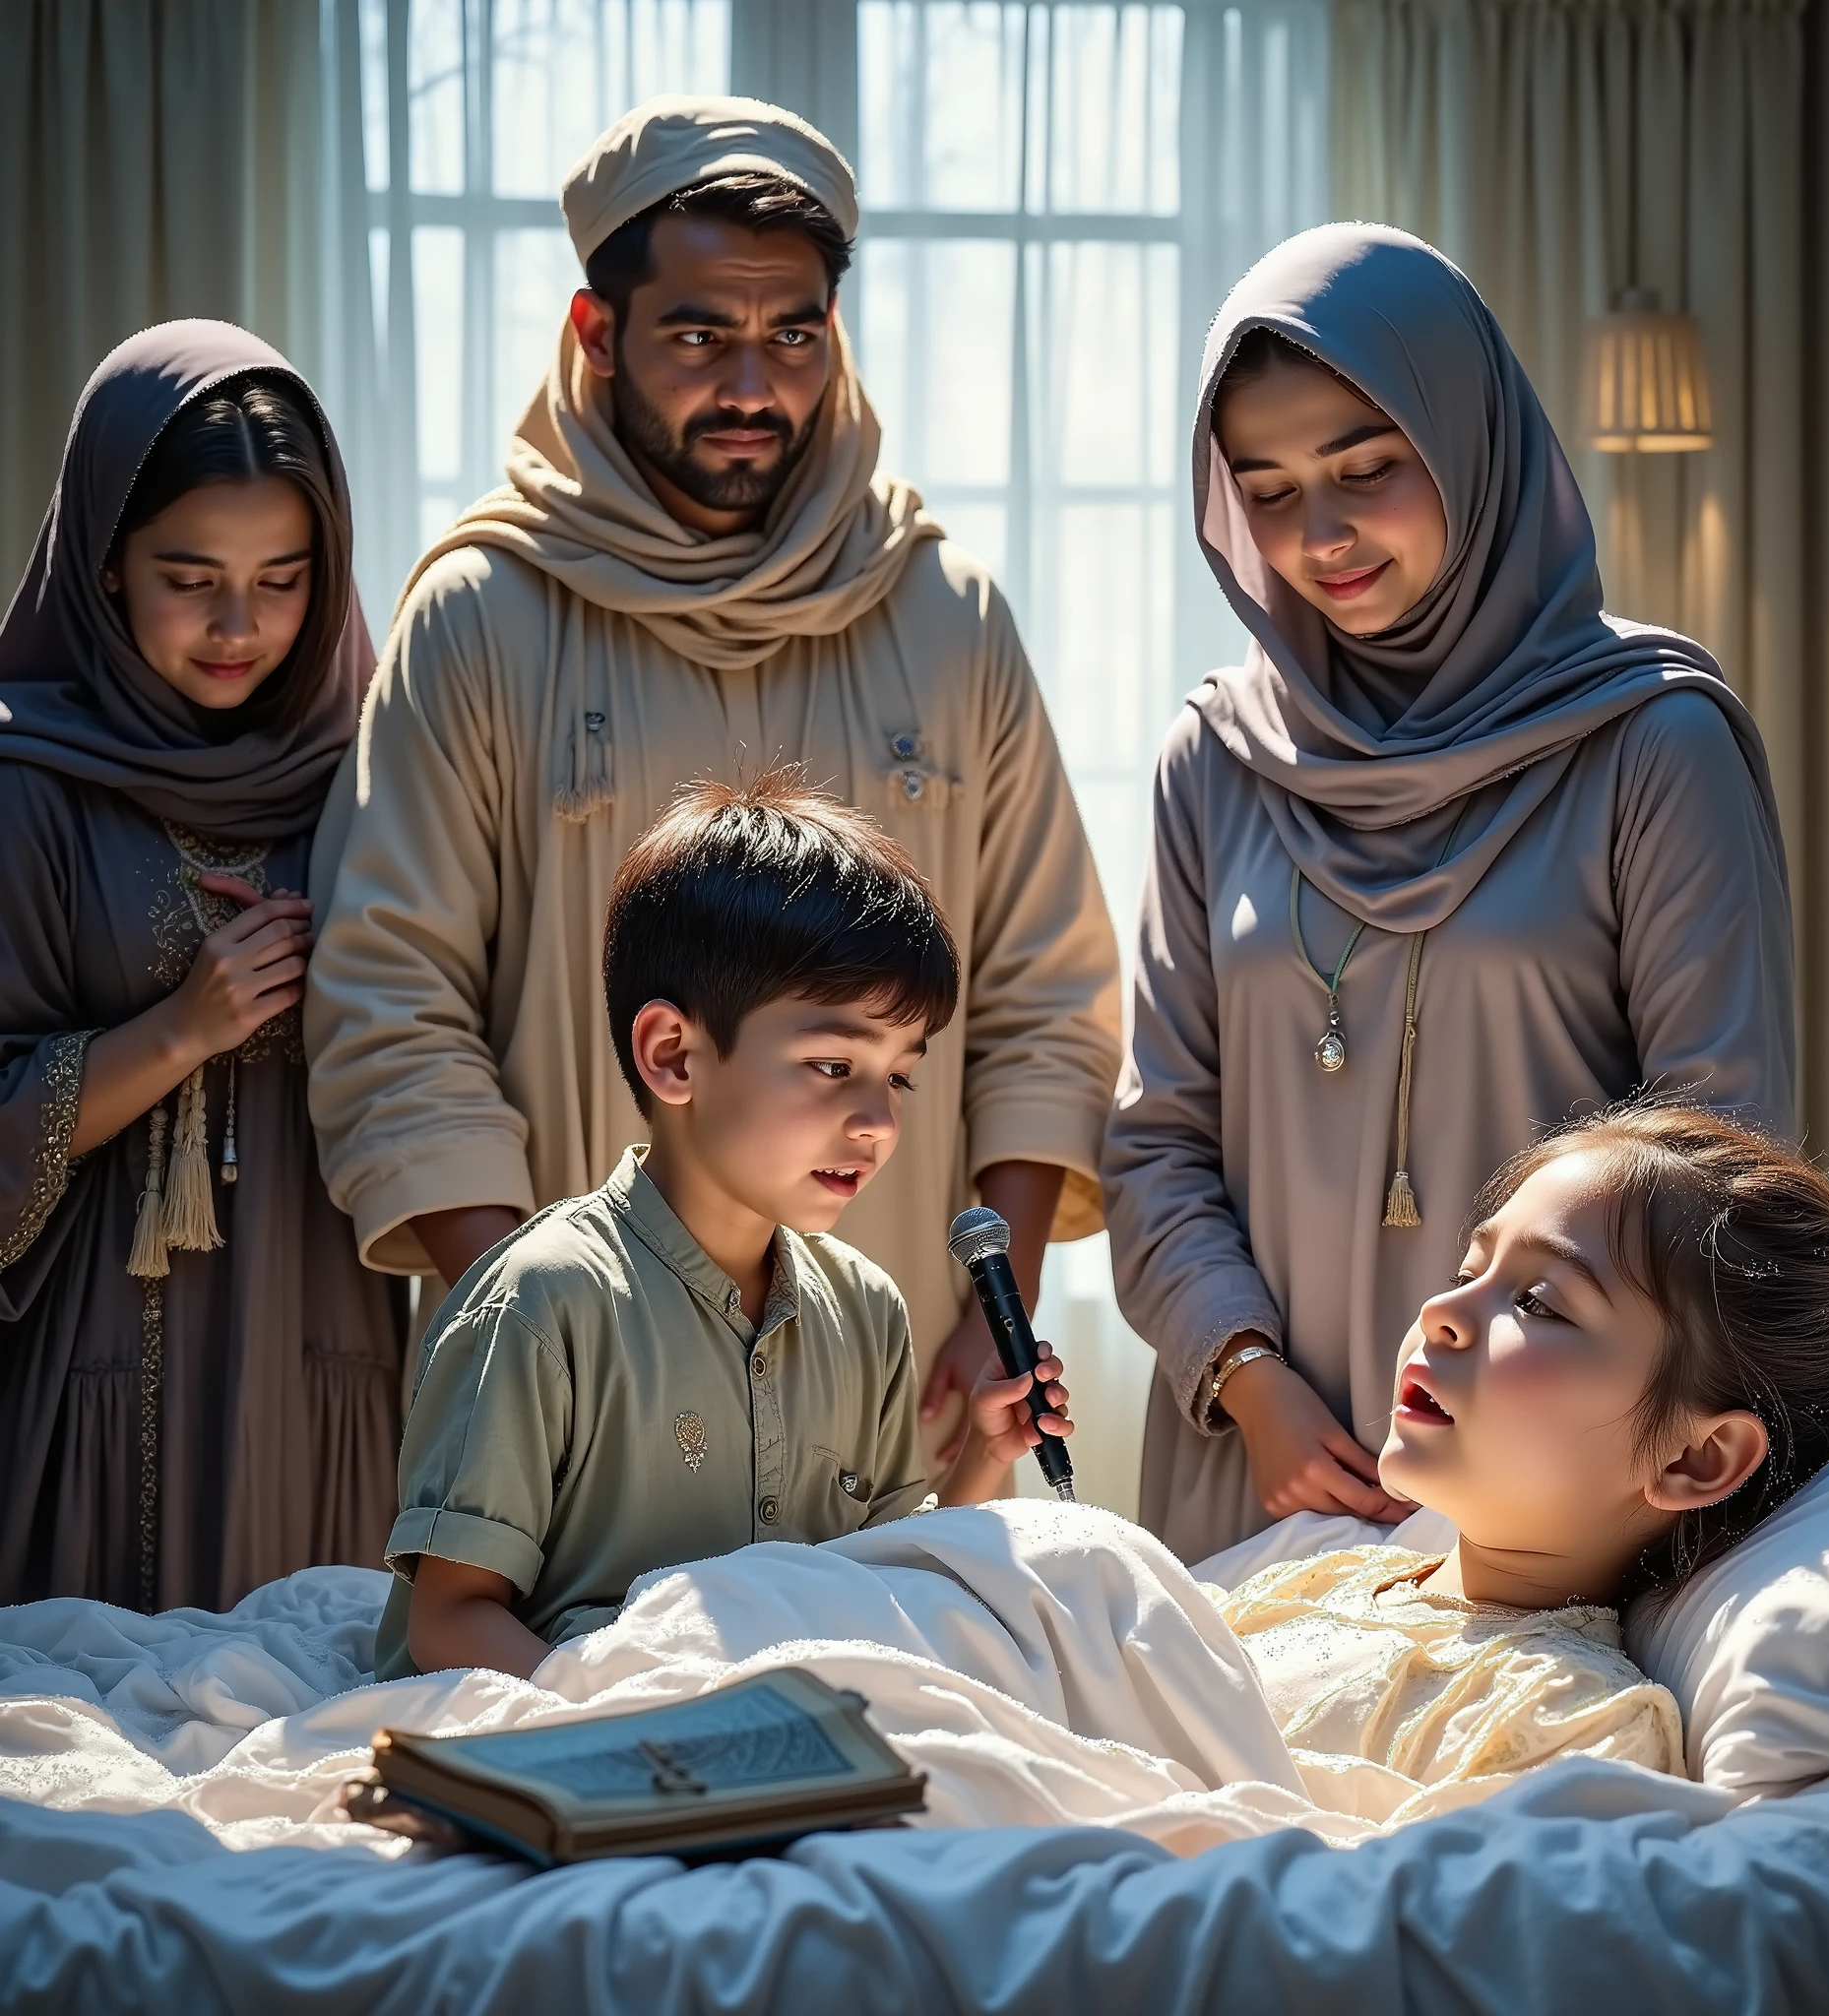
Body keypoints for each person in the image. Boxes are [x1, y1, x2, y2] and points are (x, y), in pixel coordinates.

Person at [308, 95, 1119, 1473]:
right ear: (597, 335)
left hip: (900, 1412)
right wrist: (548, 1349)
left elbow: (1047, 999)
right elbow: (392, 1009)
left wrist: (1004, 1302)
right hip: (573, 1434)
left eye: (792, 334)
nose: (754, 385)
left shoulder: (947, 614)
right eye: (699, 335)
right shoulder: (481, 614)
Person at [1103, 223, 1796, 1565]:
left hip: (1544, 1498)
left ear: (1472, 442)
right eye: (1269, 489)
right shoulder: (1218, 758)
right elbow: (1154, 1142)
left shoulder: (1651, 744)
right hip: (1259, 1475)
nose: (1323, 535)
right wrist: (1250, 1382)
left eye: (1368, 469)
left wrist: (1533, 1444)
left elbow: (1720, 1155)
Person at [376, 774, 1074, 1682]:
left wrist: (987, 1455)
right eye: (832, 1065)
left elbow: (891, 1577)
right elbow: (451, 1622)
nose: (879, 1123)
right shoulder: (542, 1301)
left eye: (898, 1077)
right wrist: (649, 1734)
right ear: (673, 1055)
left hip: (791, 1746)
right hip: (600, 1750)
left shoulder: (866, 1309)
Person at [1206, 1102, 1829, 1816]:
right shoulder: (1324, 1568)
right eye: (1469, 1270)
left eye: (1538, 1303)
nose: (1441, 1312)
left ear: (1697, 1457)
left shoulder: (1561, 1724)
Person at [0, 322, 401, 1612]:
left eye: (283, 580)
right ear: (106, 565)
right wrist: (182, 1027)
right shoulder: (28, 791)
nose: (241, 626)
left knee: (323, 1748)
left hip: (330, 1365)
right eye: (191, 577)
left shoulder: (378, 785)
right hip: (96, 1377)